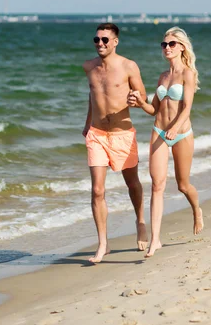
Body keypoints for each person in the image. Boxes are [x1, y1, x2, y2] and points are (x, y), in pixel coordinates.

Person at [128, 26, 204, 258]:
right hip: (159, 132)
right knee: (156, 185)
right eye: (164, 45)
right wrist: (141, 103)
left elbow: (186, 108)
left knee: (183, 185)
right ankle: (155, 240)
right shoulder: (163, 76)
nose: (167, 48)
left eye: (171, 44)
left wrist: (174, 129)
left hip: (181, 133)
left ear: (181, 47)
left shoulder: (187, 74)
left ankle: (196, 209)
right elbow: (155, 110)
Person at [82, 23, 148, 263]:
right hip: (97, 134)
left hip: (122, 135)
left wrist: (137, 99)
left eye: (105, 40)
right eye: (97, 40)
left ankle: (140, 221)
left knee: (132, 184)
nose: (100, 44)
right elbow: (93, 96)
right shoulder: (89, 67)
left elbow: (144, 96)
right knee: (97, 190)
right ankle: (103, 243)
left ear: (115, 42)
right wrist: (87, 123)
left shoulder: (129, 66)